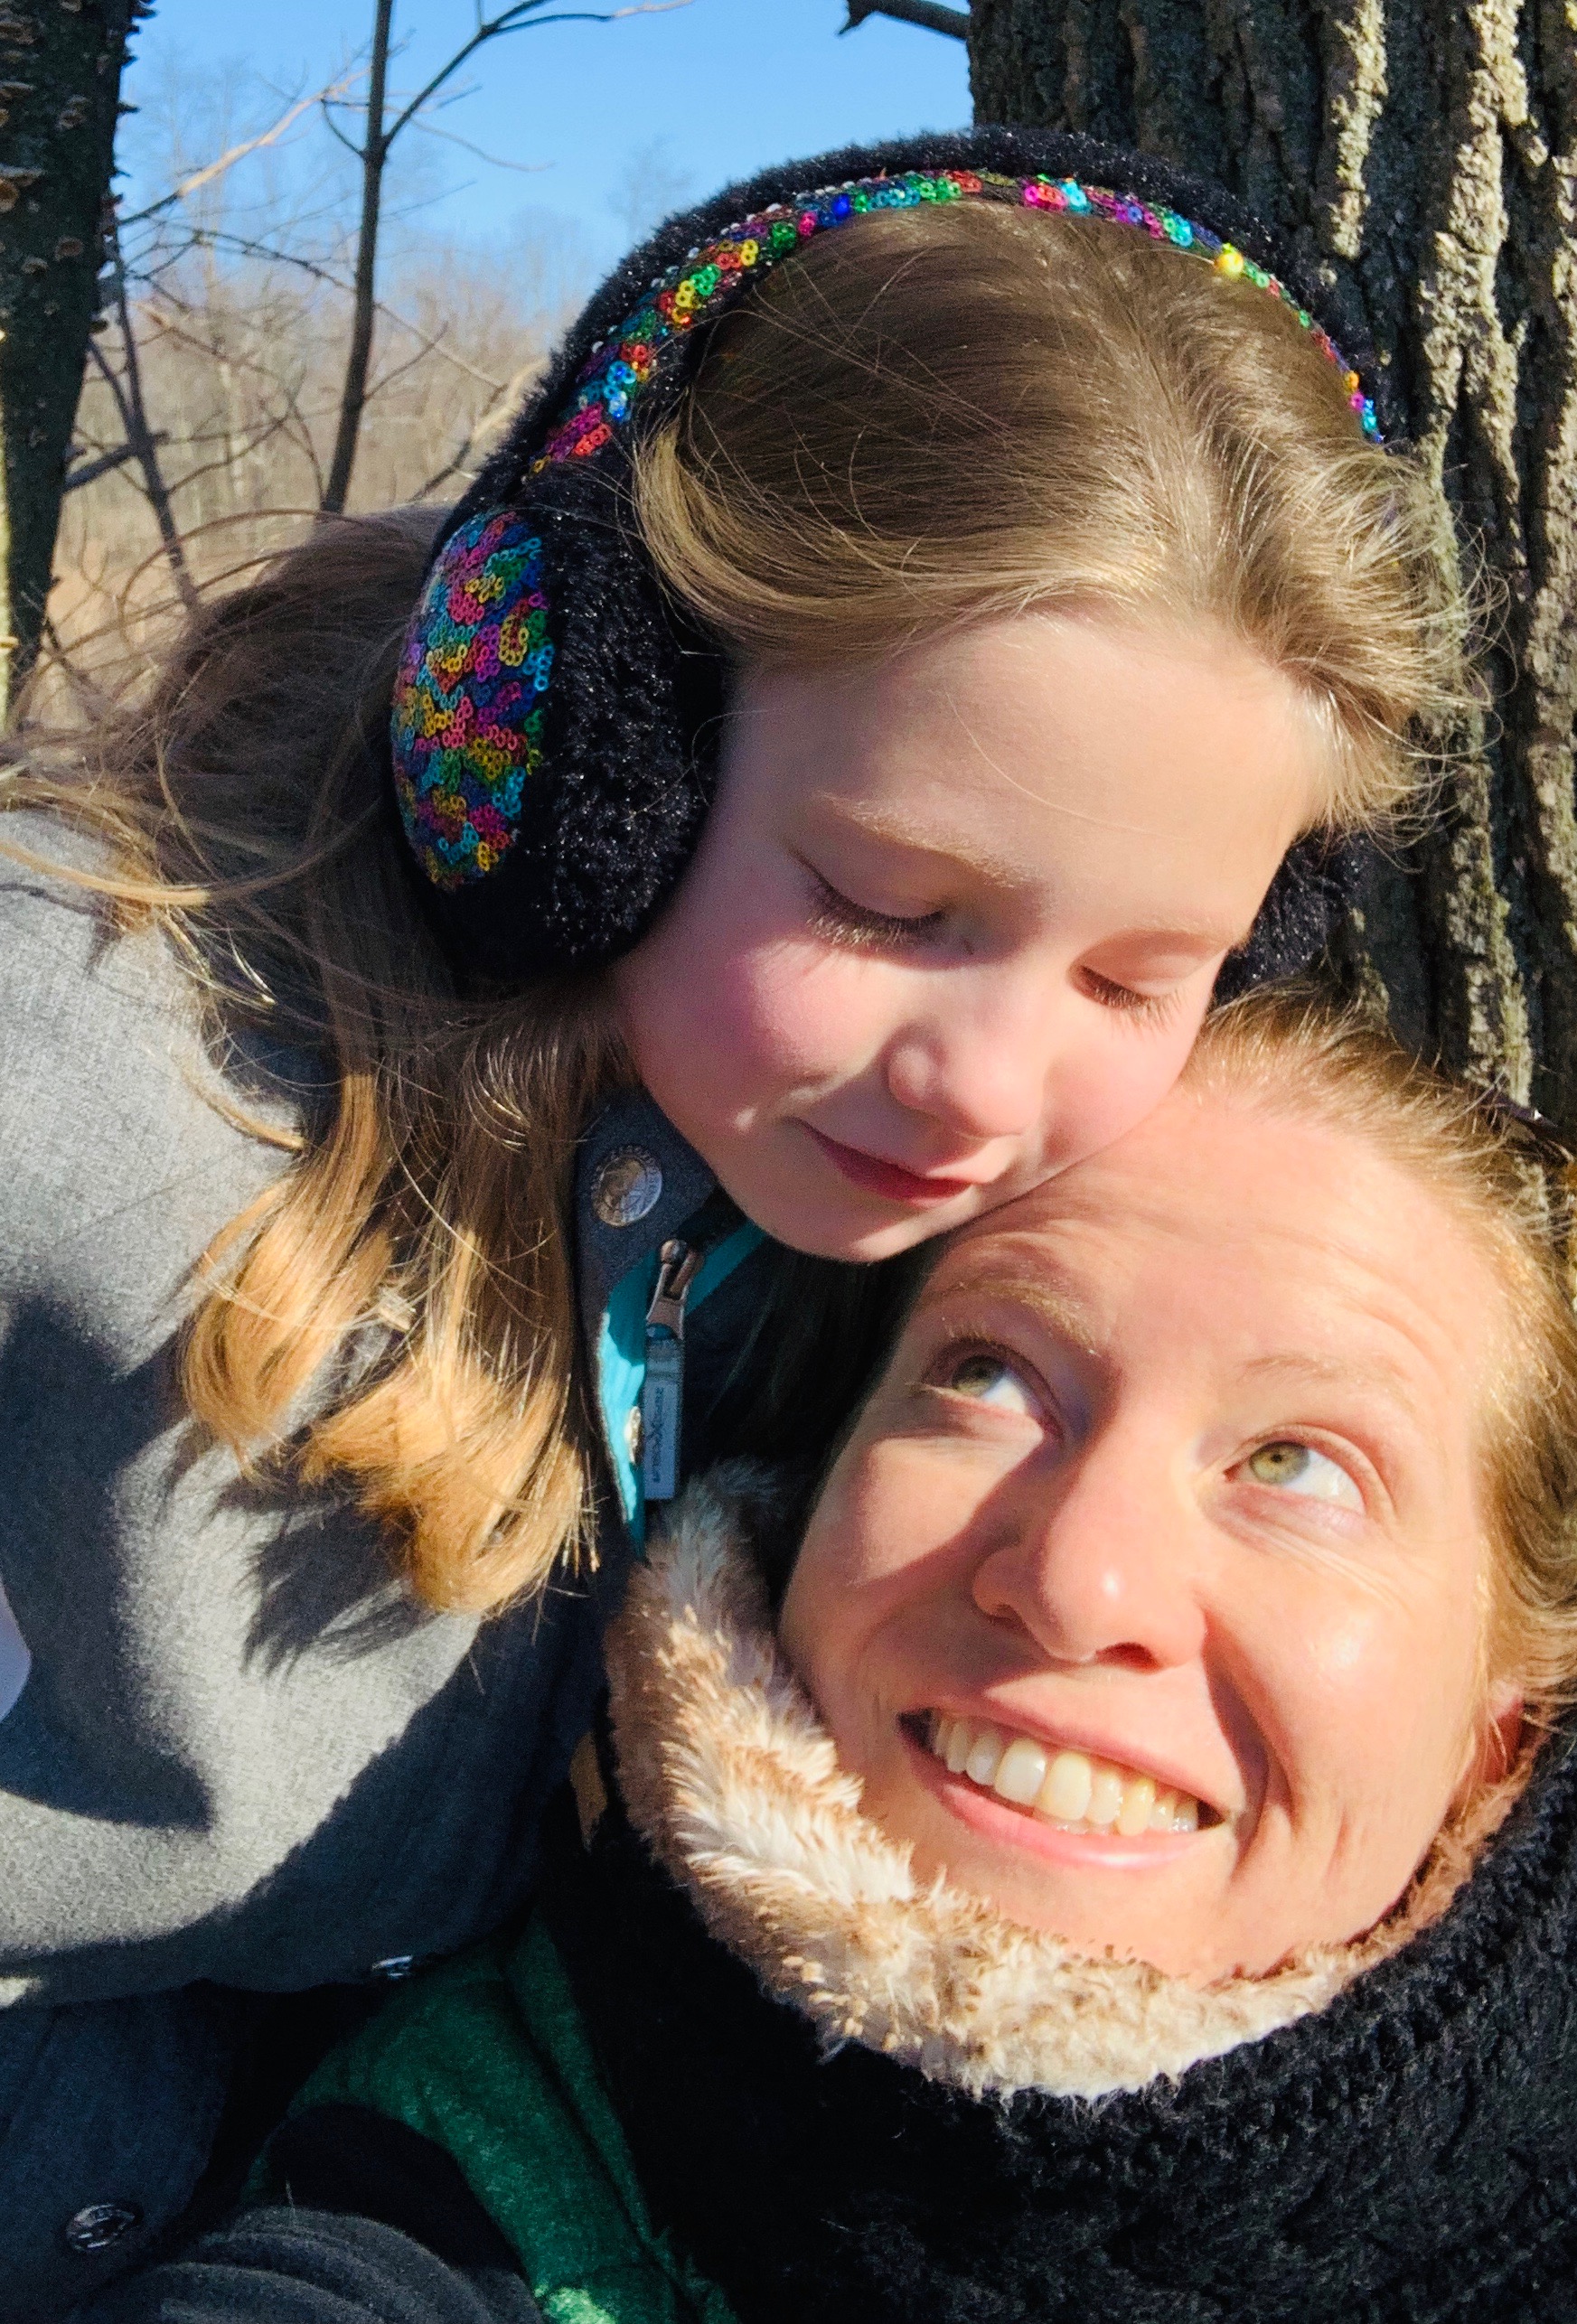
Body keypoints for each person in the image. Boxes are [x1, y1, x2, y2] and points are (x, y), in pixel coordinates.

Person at [0, 127, 1468, 2311]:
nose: (987, 1085)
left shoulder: (910, 1216)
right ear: (583, 745)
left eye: (1137, 977)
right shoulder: (75, 1104)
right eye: (890, 905)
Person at [94, 990, 1577, 2324]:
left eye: (1297, 1466)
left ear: (1498, 1723)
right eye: (989, 1375)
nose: (1076, 1581)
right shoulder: (446, 2189)